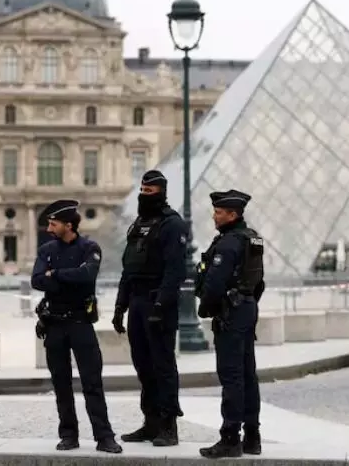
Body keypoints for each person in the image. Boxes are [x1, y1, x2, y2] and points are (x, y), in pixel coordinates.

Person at [31, 199, 122, 454]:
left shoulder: (89, 248)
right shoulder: (47, 250)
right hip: (54, 324)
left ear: (68, 225)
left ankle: (104, 437)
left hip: (81, 323)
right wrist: (69, 277)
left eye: (53, 224)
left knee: (92, 383)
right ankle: (69, 435)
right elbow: (37, 280)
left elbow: (87, 276)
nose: (49, 228)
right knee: (61, 384)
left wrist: (55, 274)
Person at [112, 170, 188, 446]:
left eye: (150, 192)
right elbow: (128, 268)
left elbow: (175, 271)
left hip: (159, 302)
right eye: (142, 191)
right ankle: (151, 421)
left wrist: (160, 305)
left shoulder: (172, 224)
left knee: (163, 366)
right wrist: (120, 306)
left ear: (161, 193)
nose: (144, 196)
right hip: (137, 302)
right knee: (143, 365)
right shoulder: (138, 224)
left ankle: (168, 425)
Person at [196, 189, 265, 459]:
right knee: (248, 375)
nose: (214, 216)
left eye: (219, 212)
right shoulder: (253, 238)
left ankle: (230, 438)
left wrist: (206, 308)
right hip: (247, 308)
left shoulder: (228, 244)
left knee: (231, 376)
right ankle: (252, 437)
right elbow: (258, 281)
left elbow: (214, 284)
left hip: (230, 313)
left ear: (232, 215)